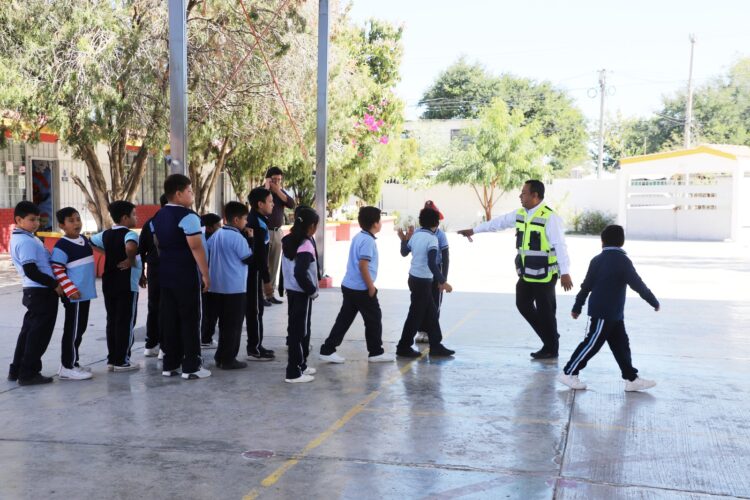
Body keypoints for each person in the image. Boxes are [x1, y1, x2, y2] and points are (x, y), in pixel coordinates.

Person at [458, 179, 573, 360]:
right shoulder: (521, 214)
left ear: (535, 195)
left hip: (545, 274)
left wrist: (565, 272)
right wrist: (474, 230)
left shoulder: (550, 217)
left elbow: (560, 245)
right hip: (527, 273)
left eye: (524, 193)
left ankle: (551, 348)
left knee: (546, 312)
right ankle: (550, 336)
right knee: (523, 304)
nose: (520, 196)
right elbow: (498, 223)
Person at [557, 225, 659, 392]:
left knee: (621, 345)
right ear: (622, 242)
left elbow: (586, 286)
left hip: (613, 313)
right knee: (592, 344)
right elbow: (638, 284)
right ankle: (568, 372)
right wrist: (653, 301)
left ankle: (631, 379)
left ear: (602, 241)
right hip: (605, 312)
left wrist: (577, 305)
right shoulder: (623, 261)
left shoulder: (596, 260)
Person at [152, 174, 212, 380]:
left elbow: (158, 243)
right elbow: (196, 247)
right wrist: (205, 274)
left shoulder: (159, 215)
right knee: (190, 318)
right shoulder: (189, 217)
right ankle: (192, 365)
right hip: (185, 273)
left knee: (170, 319)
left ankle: (170, 364)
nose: (192, 194)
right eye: (189, 191)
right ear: (178, 194)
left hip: (165, 272)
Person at [319, 206, 395, 364]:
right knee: (374, 318)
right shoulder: (368, 241)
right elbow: (363, 265)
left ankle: (328, 349)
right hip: (361, 288)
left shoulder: (359, 237)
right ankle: (376, 352)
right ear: (375, 224)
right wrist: (371, 286)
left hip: (349, 286)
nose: (381, 223)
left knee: (344, 319)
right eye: (380, 220)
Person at [8, 201, 63, 386]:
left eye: (38, 219)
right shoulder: (25, 242)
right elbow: (31, 270)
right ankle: (29, 373)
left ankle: (17, 369)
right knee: (39, 335)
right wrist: (54, 284)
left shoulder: (26, 237)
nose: (36, 223)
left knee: (28, 332)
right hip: (41, 292)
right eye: (32, 220)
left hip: (35, 292)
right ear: (19, 220)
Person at [396, 208, 456, 358]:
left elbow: (404, 252)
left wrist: (404, 239)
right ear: (437, 223)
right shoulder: (432, 239)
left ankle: (435, 345)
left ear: (421, 221)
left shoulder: (416, 235)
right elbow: (432, 263)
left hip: (414, 279)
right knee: (415, 316)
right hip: (423, 281)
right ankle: (403, 347)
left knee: (431, 314)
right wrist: (443, 281)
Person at [91, 201, 143, 372]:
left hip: (109, 283)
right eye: (134, 214)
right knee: (125, 321)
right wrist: (130, 259)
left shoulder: (105, 234)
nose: (136, 217)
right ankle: (123, 361)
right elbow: (131, 247)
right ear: (125, 218)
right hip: (126, 284)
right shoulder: (130, 234)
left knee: (112, 320)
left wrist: (108, 253)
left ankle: (112, 359)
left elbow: (91, 242)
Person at [206, 202, 254, 370]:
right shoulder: (238, 238)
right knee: (233, 326)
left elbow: (207, 251)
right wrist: (251, 240)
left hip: (217, 287)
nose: (246, 222)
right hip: (234, 288)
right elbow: (248, 258)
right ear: (236, 220)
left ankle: (220, 356)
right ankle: (228, 359)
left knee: (223, 325)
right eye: (245, 219)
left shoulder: (217, 234)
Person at [50, 207, 96, 380]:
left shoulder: (84, 239)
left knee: (80, 328)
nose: (76, 223)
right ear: (62, 225)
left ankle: (73, 362)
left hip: (85, 293)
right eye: (71, 221)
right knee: (73, 330)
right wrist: (70, 289)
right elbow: (57, 269)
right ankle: (67, 367)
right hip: (74, 296)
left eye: (78, 219)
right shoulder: (61, 246)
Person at [280, 207, 320, 383]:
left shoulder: (289, 240)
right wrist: (312, 290)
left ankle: (301, 365)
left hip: (292, 290)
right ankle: (294, 372)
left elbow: (286, 269)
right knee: (298, 332)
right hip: (302, 292)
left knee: (297, 329)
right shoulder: (305, 244)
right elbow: (300, 273)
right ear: (311, 226)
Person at [245, 187, 276, 361]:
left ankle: (257, 345)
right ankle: (254, 349)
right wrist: (267, 280)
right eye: (270, 201)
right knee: (255, 310)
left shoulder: (259, 220)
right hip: (253, 272)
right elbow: (259, 256)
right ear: (260, 204)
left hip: (255, 271)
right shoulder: (256, 223)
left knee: (257, 309)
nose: (273, 204)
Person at [139, 194, 168, 358]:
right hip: (169, 269)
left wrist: (141, 274)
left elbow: (141, 250)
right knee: (168, 307)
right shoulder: (173, 221)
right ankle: (165, 347)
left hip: (153, 269)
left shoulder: (149, 223)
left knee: (154, 306)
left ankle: (150, 345)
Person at [263, 166, 296, 306]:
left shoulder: (281, 193)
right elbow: (255, 204)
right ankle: (261, 295)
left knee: (274, 264)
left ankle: (270, 294)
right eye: (274, 179)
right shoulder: (261, 191)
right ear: (268, 179)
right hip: (264, 232)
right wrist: (267, 189)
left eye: (279, 180)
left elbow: (291, 204)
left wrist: (278, 191)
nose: (276, 182)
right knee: (263, 264)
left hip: (277, 232)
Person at [200, 213, 222, 349]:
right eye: (218, 225)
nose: (221, 228)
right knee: (210, 310)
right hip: (209, 280)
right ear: (209, 228)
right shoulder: (211, 240)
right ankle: (206, 338)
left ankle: (206, 336)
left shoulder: (203, 239)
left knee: (209, 310)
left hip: (208, 279)